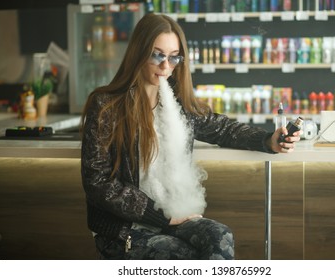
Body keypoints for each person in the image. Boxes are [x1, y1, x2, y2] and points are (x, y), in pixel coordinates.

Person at [80, 12, 301, 260]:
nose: (166, 66)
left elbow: (223, 128)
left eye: (174, 58)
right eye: (157, 55)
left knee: (221, 236)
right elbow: (97, 182)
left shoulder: (177, 103)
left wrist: (268, 140)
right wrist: (159, 215)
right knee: (187, 256)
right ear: (138, 52)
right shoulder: (107, 105)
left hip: (175, 215)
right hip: (124, 229)